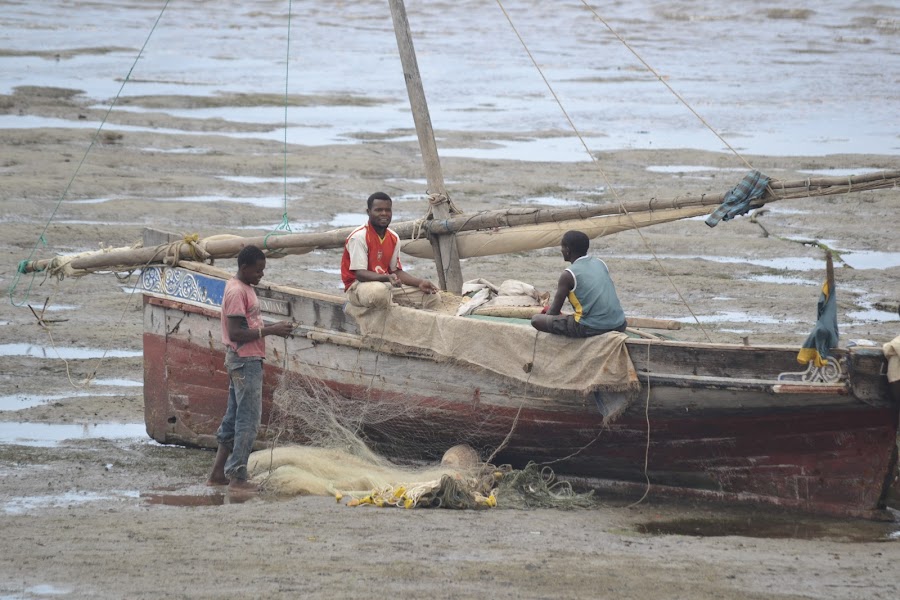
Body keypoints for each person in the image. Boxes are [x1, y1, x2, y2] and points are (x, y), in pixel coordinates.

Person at [207, 245, 294, 491]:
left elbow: (249, 322)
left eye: (263, 270)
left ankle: (217, 474)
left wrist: (274, 326)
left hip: (243, 360)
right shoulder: (236, 291)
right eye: (258, 271)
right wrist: (271, 330)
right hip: (245, 361)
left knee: (233, 417)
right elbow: (236, 333)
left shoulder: (244, 288)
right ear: (244, 268)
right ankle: (238, 477)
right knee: (248, 420)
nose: (261, 275)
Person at [340, 191, 440, 309]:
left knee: (432, 297)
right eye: (378, 210)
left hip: (385, 284)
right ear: (368, 212)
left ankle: (391, 304)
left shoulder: (393, 237)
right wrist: (387, 277)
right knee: (379, 293)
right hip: (358, 287)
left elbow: (396, 272)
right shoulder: (359, 237)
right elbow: (360, 274)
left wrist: (419, 282)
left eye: (388, 210)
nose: (384, 214)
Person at [531, 230, 627, 337]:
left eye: (562, 247)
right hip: (620, 324)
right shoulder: (600, 263)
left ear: (568, 250)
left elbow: (553, 312)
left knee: (536, 320)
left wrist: (546, 317)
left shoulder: (568, 275)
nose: (561, 250)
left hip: (590, 327)